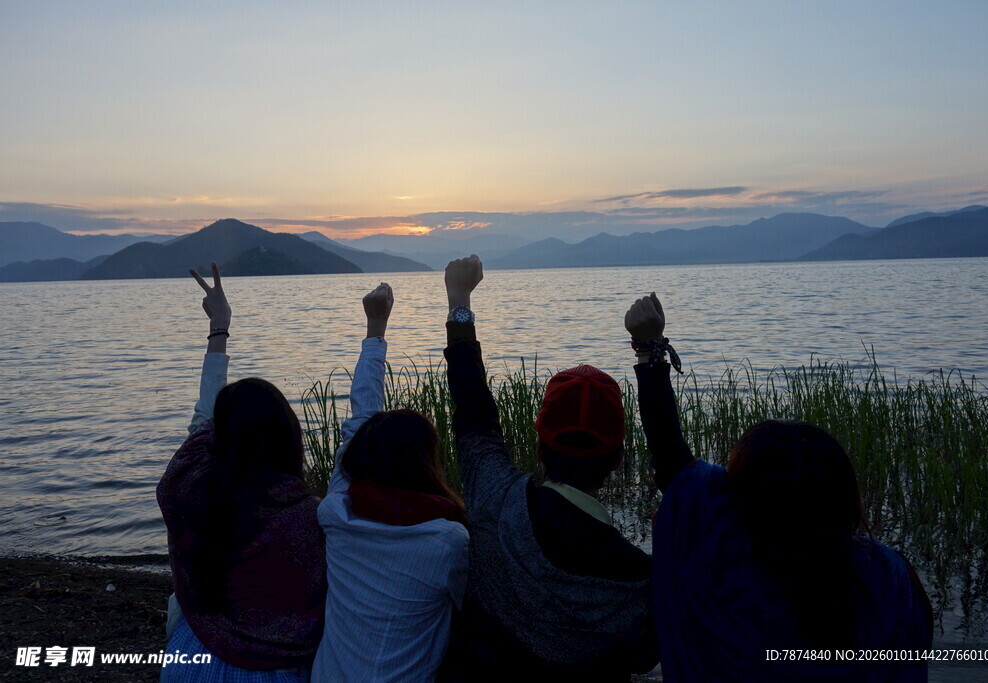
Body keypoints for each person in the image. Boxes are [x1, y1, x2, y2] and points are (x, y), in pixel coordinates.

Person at [624, 292, 934, 681]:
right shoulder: (889, 579)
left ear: (740, 500)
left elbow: (672, 462)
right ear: (843, 500)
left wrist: (648, 348)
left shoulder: (718, 559)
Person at [440, 255, 658, 682]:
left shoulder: (495, 494)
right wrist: (651, 353)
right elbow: (643, 656)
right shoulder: (638, 576)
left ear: (540, 446)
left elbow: (473, 410)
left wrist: (459, 299)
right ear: (618, 458)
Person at [157, 263, 326, 682]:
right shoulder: (309, 516)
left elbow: (202, 419)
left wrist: (220, 327)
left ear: (220, 437)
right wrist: (375, 330)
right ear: (289, 436)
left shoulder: (186, 485)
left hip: (189, 662)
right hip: (276, 673)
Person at [313, 283, 469, 682]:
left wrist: (376, 326)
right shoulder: (446, 542)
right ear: (426, 464)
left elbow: (362, 415)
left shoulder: (337, 510)